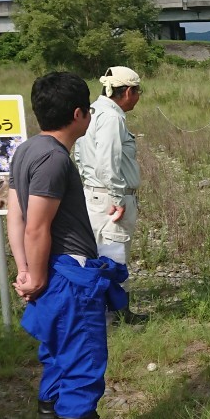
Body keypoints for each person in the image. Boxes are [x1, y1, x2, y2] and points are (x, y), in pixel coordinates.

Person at [7, 71, 127, 419]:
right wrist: (36, 275)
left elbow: (15, 214)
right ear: (79, 115)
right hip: (66, 277)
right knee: (81, 365)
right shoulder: (56, 159)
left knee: (56, 361)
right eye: (88, 110)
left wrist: (23, 270)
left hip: (46, 271)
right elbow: (37, 225)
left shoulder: (27, 150)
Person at [73, 65, 147, 324]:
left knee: (100, 254)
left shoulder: (92, 111)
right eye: (138, 91)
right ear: (127, 91)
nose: (138, 97)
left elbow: (80, 155)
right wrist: (116, 198)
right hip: (110, 199)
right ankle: (111, 315)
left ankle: (110, 310)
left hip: (94, 194)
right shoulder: (112, 117)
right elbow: (108, 161)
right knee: (112, 257)